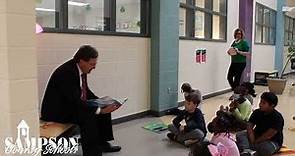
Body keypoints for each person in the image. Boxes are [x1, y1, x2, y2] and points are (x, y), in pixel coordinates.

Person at [40, 45, 121, 156]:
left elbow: (85, 91)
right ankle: (92, 153)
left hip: (69, 106)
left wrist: (101, 102)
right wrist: (98, 110)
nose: (94, 67)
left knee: (102, 106)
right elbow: (74, 101)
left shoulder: (80, 69)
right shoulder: (66, 72)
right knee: (88, 116)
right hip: (57, 112)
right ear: (82, 61)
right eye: (92, 64)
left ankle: (102, 143)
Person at [236, 92, 284, 156]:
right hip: (255, 137)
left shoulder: (277, 117)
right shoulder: (257, 112)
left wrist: (255, 142)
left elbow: (268, 135)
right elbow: (249, 127)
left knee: (266, 148)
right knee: (240, 134)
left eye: (263, 103)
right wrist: (252, 139)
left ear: (272, 105)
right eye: (260, 101)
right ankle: (247, 151)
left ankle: (251, 151)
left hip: (271, 141)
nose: (260, 104)